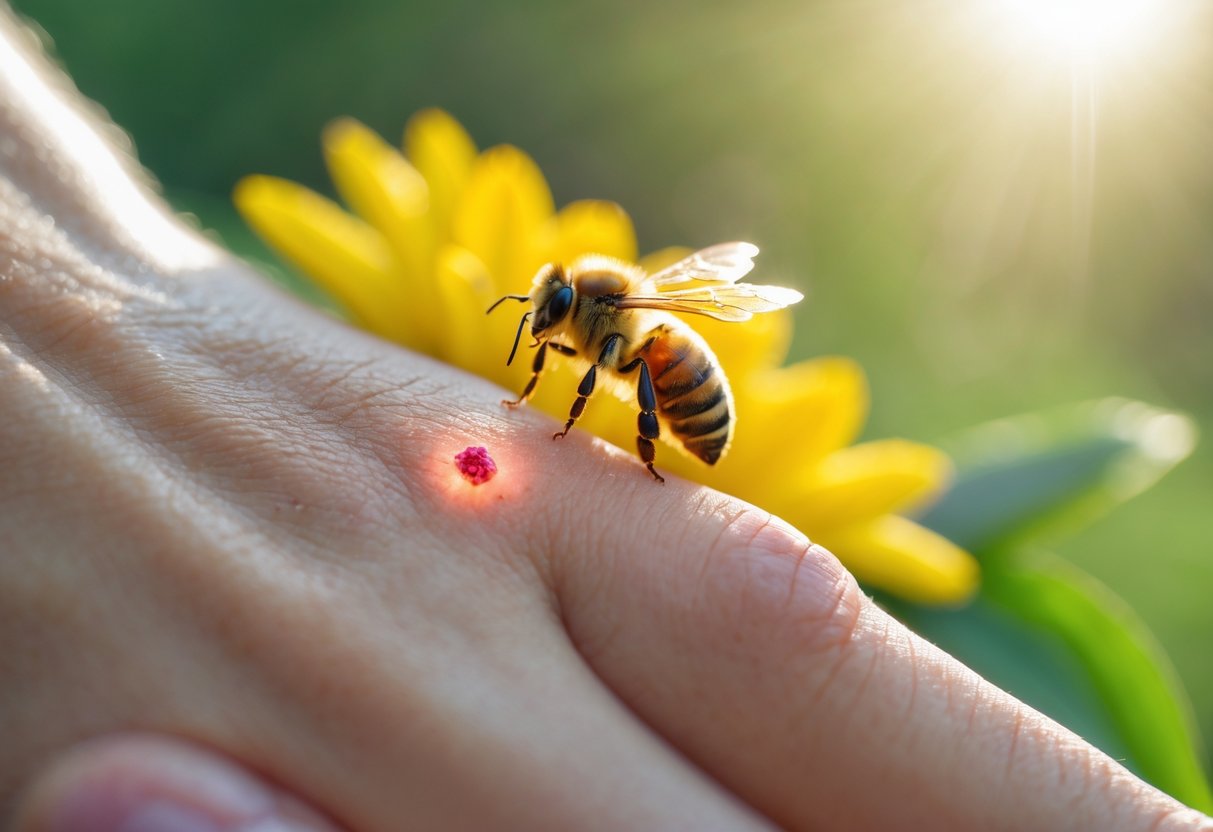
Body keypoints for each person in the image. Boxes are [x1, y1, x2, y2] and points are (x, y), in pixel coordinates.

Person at [0, 10, 1208, 832]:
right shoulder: (584, 314)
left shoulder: (611, 337)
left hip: (683, 416)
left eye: (550, 322)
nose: (540, 334)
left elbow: (607, 375)